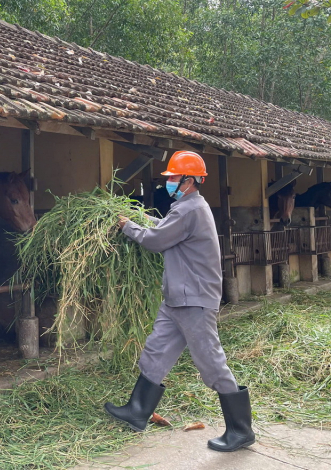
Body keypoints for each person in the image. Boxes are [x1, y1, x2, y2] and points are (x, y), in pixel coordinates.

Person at [104, 150, 254, 452]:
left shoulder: (190, 209)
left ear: (190, 180)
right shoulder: (185, 207)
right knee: (156, 351)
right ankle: (137, 411)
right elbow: (164, 226)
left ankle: (241, 430)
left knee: (210, 362)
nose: (168, 182)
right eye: (169, 177)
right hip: (177, 298)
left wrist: (127, 226)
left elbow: (156, 240)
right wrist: (139, 217)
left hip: (194, 300)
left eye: (173, 178)